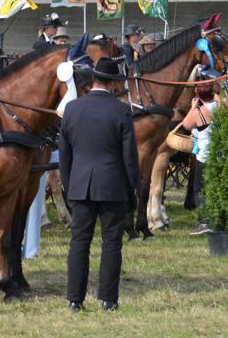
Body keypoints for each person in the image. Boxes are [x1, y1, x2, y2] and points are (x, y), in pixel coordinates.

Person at [59, 58, 139, 312]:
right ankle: (108, 298)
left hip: (80, 184)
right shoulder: (121, 110)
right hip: (112, 184)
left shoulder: (72, 109)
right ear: (114, 84)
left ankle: (74, 299)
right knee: (112, 242)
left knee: (79, 241)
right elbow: (129, 156)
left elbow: (64, 154)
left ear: (93, 80)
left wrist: (69, 185)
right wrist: (133, 188)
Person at [180, 79, 228, 235]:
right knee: (223, 186)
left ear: (197, 95)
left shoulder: (199, 111)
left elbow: (186, 125)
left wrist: (192, 107)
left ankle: (205, 222)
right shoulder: (222, 106)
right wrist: (222, 101)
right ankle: (223, 219)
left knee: (200, 189)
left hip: (207, 155)